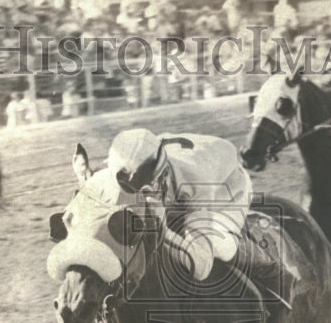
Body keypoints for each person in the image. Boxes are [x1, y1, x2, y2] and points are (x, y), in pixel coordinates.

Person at [106, 127, 294, 306]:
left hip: (226, 187)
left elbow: (202, 267)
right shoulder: (123, 168)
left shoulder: (197, 179)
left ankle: (271, 268)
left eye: (152, 184)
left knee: (217, 242)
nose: (147, 193)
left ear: (164, 170)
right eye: (138, 189)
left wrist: (164, 230)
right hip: (185, 180)